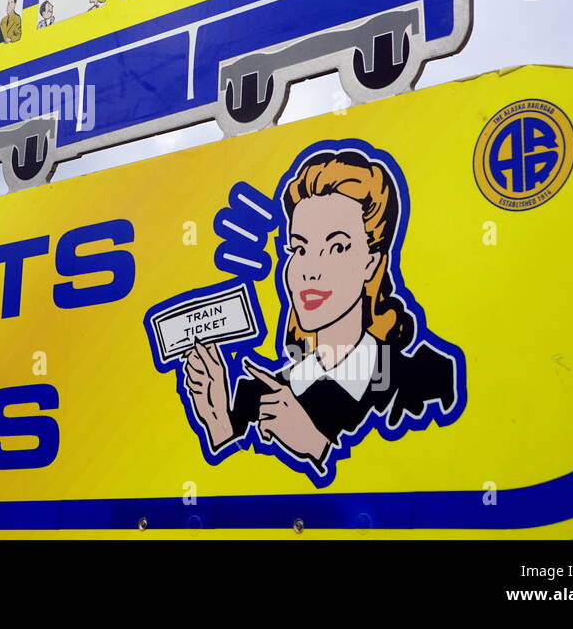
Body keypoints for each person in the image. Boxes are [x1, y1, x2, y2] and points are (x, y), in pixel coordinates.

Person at [182, 149, 459, 473]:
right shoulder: (254, 395)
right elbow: (236, 496)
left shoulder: (427, 380)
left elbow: (427, 482)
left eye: (337, 247)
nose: (309, 270)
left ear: (370, 263)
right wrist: (218, 421)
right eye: (300, 248)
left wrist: (315, 445)